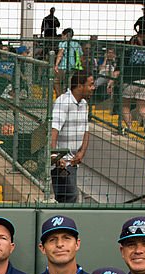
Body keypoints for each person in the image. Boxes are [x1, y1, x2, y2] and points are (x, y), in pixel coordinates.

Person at [50, 71, 94, 204]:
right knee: (71, 196)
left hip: (73, 162)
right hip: (61, 163)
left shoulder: (84, 104)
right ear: (80, 86)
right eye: (90, 84)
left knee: (67, 198)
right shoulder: (63, 102)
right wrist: (54, 156)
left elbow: (86, 130)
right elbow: (54, 130)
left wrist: (82, 152)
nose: (93, 88)